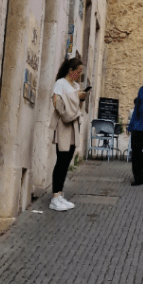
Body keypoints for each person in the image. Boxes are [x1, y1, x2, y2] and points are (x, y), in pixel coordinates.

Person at [49, 55, 88, 211]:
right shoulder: (60, 83)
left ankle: (60, 194)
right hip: (63, 125)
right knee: (61, 161)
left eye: (81, 72)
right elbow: (56, 102)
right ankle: (54, 197)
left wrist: (81, 98)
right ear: (70, 70)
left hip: (73, 126)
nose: (79, 75)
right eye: (78, 71)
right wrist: (74, 97)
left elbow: (77, 107)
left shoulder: (76, 85)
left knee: (67, 161)